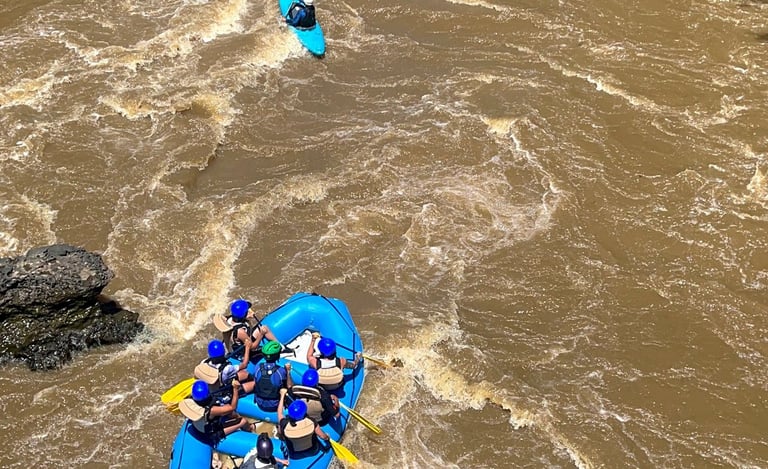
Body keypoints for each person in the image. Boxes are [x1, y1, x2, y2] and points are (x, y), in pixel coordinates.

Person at [179, 380, 252, 442]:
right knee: (243, 421)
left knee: (231, 415)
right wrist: (235, 389)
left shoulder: (191, 401)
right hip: (211, 433)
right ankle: (250, 430)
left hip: (199, 427)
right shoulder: (212, 410)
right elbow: (232, 407)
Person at [277, 388, 330, 454]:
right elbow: (322, 436)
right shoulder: (311, 422)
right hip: (313, 449)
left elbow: (279, 413)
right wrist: (327, 437)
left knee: (279, 428)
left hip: (294, 453)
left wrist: (282, 395)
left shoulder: (284, 424)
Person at [253, 340, 294, 411]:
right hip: (274, 405)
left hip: (260, 403)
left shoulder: (257, 367)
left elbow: (256, 382)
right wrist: (288, 371)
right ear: (278, 356)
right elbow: (290, 386)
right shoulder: (281, 371)